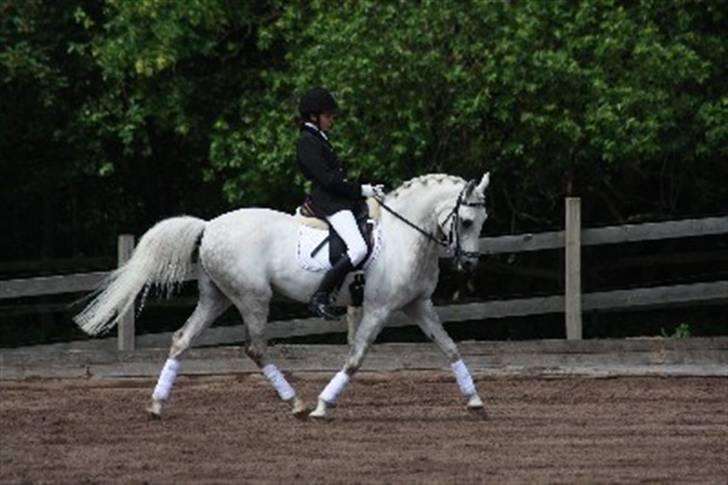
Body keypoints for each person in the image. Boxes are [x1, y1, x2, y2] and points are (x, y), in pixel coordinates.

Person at [296, 86, 383, 320]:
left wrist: (365, 191)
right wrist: (360, 189)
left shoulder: (318, 137)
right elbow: (327, 179)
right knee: (358, 248)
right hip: (328, 201)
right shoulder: (307, 141)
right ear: (314, 116)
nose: (331, 119)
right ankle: (321, 295)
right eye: (328, 115)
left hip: (338, 198)